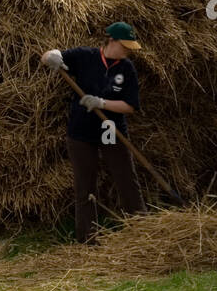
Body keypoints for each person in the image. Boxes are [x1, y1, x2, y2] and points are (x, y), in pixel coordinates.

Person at [44, 22, 147, 243]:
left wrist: (101, 102)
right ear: (112, 41)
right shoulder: (85, 56)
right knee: (85, 186)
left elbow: (129, 106)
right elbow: (48, 56)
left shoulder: (126, 68)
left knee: (127, 179)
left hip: (112, 130)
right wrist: (52, 56)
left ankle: (142, 231)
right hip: (82, 132)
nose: (128, 51)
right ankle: (88, 239)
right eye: (125, 45)